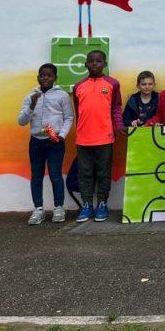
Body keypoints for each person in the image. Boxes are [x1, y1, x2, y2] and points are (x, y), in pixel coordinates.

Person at [17, 63, 73, 225]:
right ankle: (38, 209)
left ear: (55, 78)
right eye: (42, 75)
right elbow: (21, 121)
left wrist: (62, 135)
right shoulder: (30, 97)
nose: (45, 78)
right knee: (36, 176)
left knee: (55, 175)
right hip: (36, 142)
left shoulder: (62, 95)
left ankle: (59, 207)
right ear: (38, 78)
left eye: (49, 75)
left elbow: (69, 117)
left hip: (55, 142)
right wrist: (32, 106)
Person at [72, 50, 123, 222]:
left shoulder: (112, 84)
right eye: (91, 61)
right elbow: (79, 112)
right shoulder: (78, 86)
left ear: (105, 64)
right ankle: (87, 205)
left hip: (105, 137)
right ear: (85, 64)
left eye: (99, 61)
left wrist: (119, 126)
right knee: (84, 173)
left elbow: (116, 108)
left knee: (103, 172)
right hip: (83, 138)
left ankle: (102, 204)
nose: (95, 64)